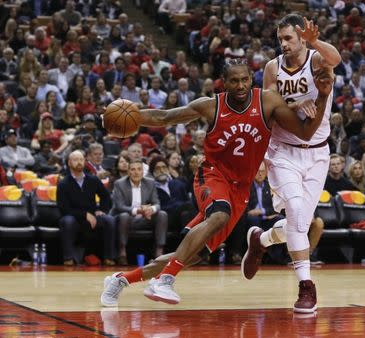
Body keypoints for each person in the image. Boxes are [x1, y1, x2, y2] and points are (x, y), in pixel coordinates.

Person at [100, 58, 334, 307]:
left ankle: (121, 280)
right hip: (213, 175)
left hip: (240, 189)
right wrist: (128, 117)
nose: (241, 85)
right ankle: (165, 279)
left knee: (192, 255)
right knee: (219, 215)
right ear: (224, 83)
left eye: (245, 79)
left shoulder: (267, 101)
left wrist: (321, 97)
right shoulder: (211, 106)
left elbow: (306, 132)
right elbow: (164, 116)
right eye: (234, 80)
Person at [240, 14, 341, 313]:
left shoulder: (318, 60)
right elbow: (269, 104)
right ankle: (306, 286)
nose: (283, 44)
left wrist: (315, 41)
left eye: (288, 38)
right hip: (284, 150)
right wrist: (294, 106)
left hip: (318, 151)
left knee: (300, 223)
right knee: (297, 212)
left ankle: (261, 239)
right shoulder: (273, 66)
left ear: (301, 38)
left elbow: (335, 58)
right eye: (280, 39)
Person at [57, 150, 116, 266]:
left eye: (81, 159)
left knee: (109, 220)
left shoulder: (93, 180)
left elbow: (106, 197)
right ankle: (68, 258)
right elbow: (64, 209)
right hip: (75, 218)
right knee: (67, 221)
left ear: (85, 162)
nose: (79, 162)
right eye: (75, 160)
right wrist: (84, 215)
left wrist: (102, 210)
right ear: (69, 163)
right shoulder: (63, 184)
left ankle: (109, 257)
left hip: (93, 216)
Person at [111, 159, 168, 265]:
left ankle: (159, 253)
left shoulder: (150, 183)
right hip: (127, 218)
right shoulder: (119, 184)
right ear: (128, 172)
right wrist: (138, 211)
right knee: (124, 216)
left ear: (143, 171)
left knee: (162, 214)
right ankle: (122, 253)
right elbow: (119, 206)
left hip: (146, 218)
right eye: (133, 169)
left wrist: (151, 209)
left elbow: (157, 203)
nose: (136, 172)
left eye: (139, 169)